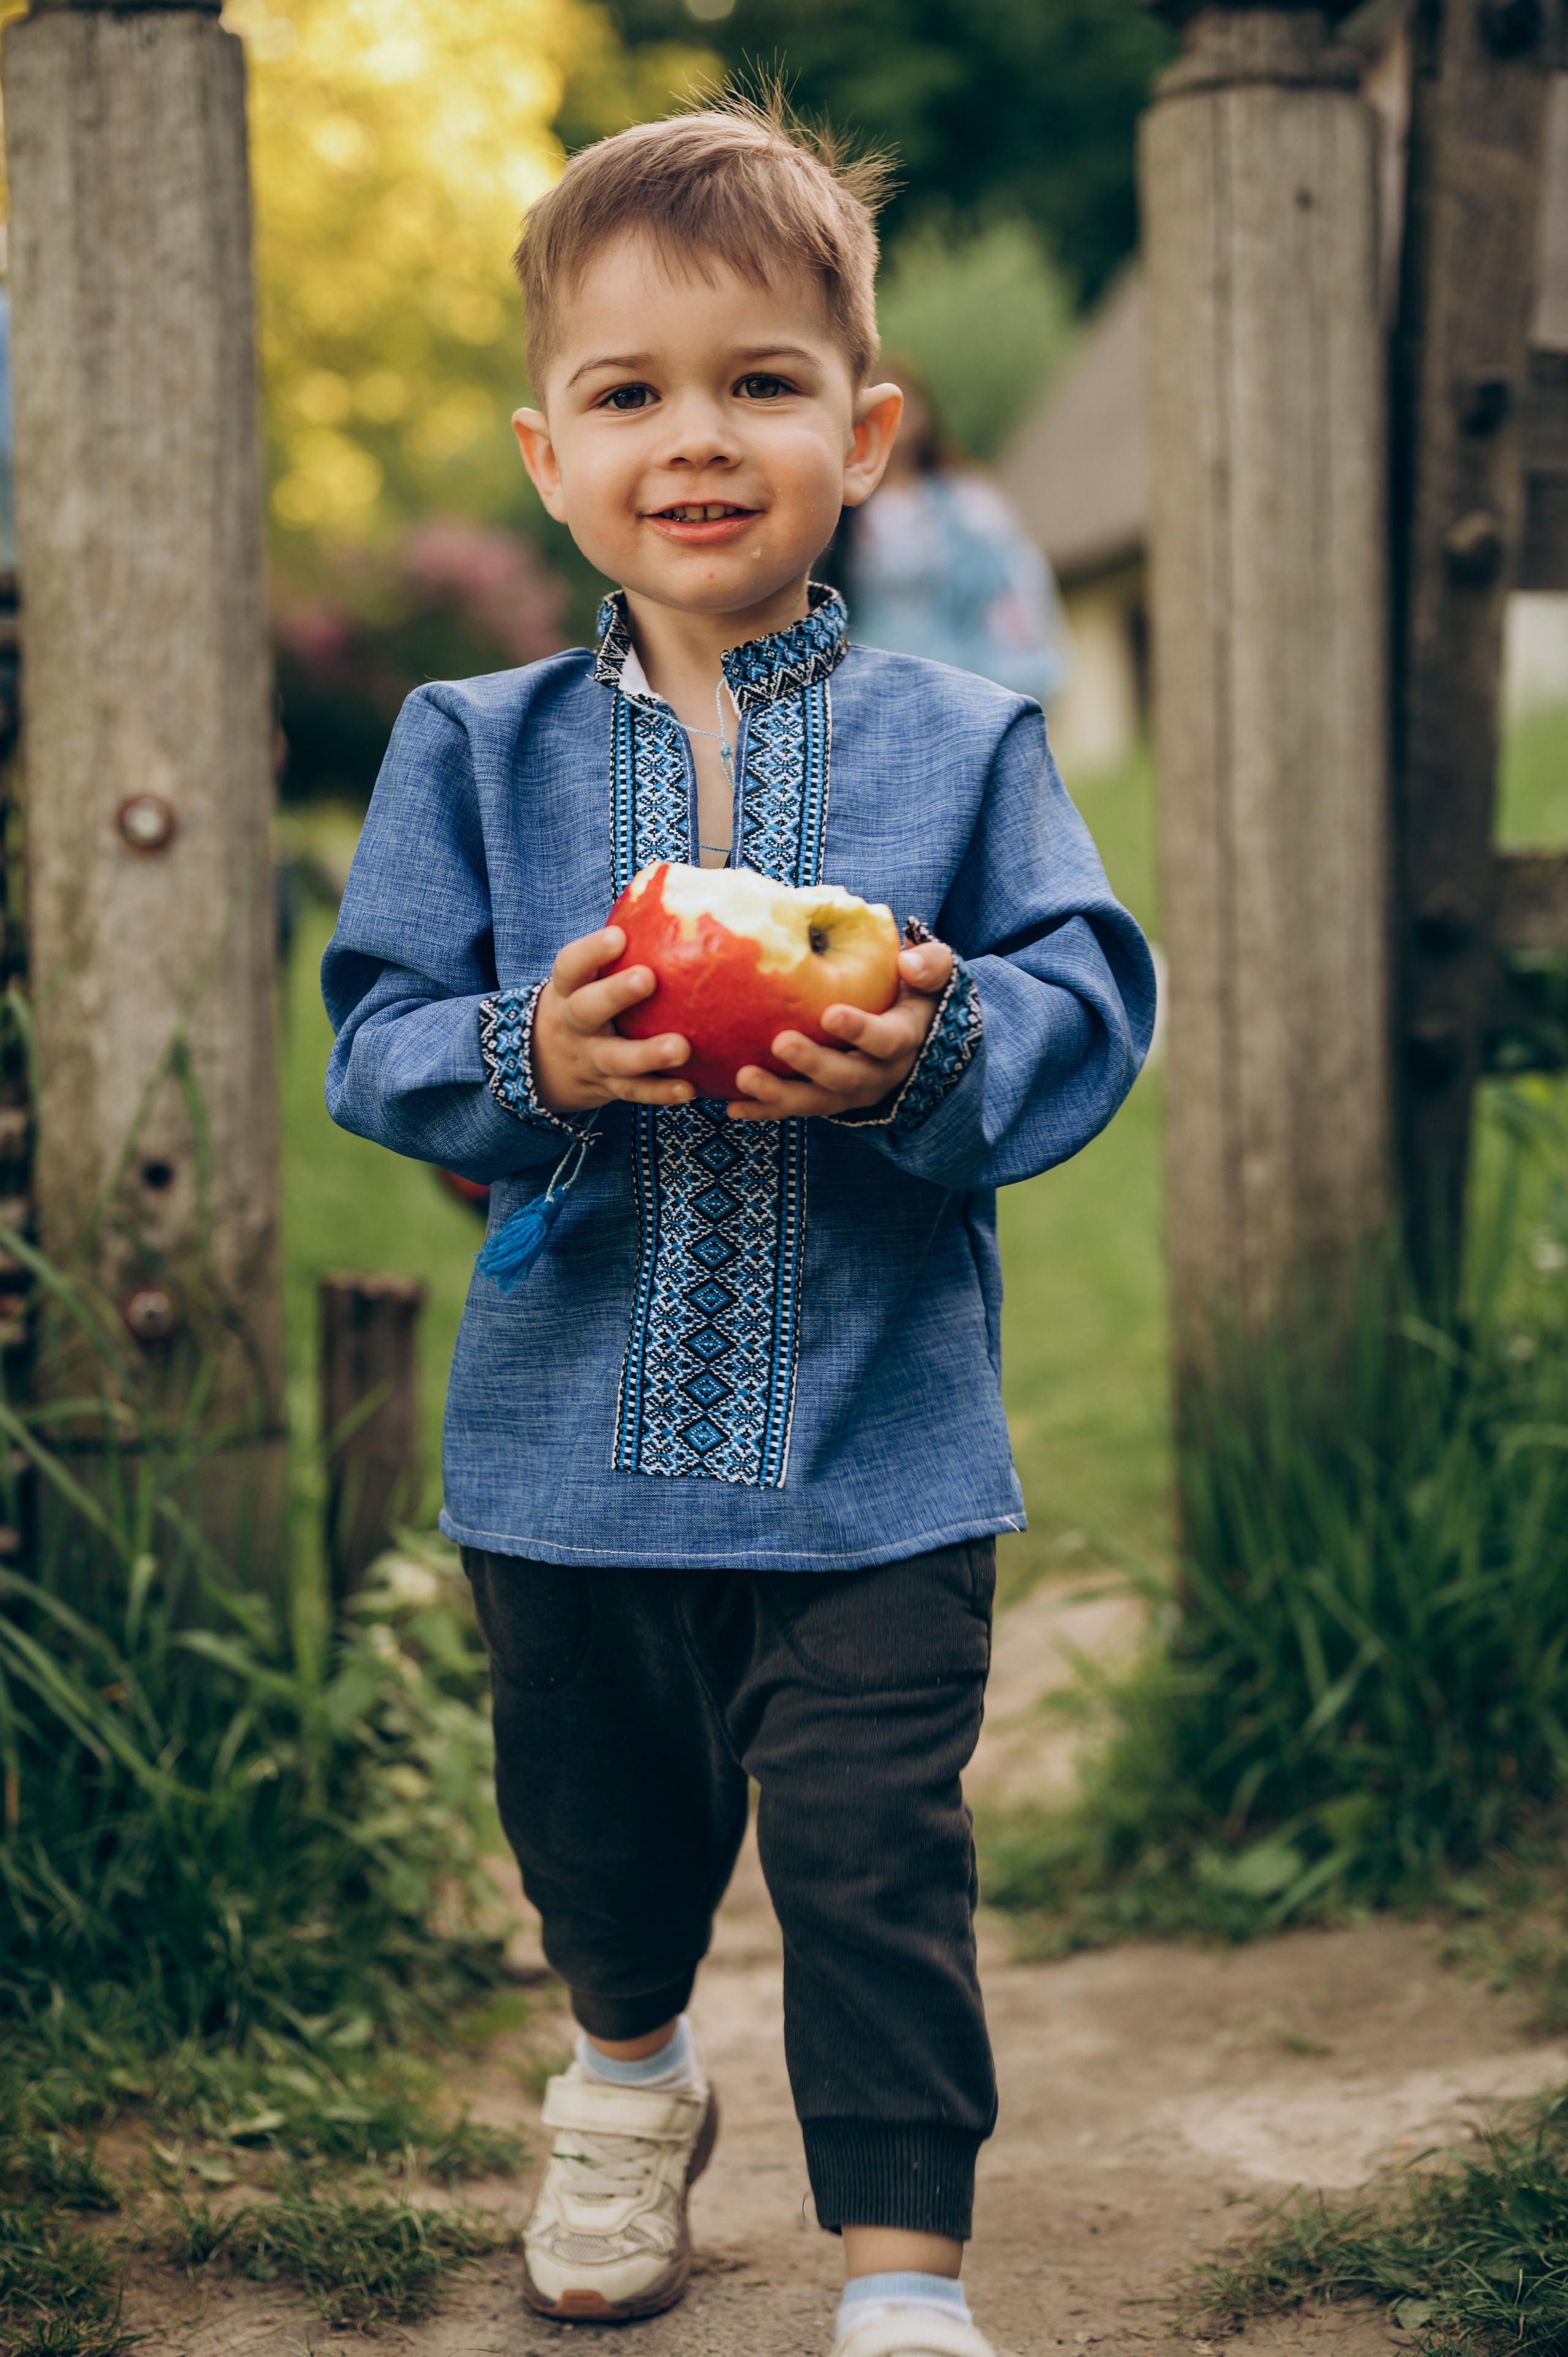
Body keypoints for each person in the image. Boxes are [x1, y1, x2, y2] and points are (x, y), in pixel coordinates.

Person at [322, 97, 1153, 2357]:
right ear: (545, 451)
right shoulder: (464, 749)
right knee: (596, 1835)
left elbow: (1090, 994)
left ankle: (901, 2263)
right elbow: (370, 1027)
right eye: (629, 393)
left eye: (760, 384)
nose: (695, 438)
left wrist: (936, 1042)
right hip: (562, 1446)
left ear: (863, 434)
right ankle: (621, 2067)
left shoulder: (958, 744)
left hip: (872, 1435)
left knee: (879, 1853)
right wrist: (526, 1053)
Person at [835, 354, 1071, 704]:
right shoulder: (840, 516)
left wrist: (1024, 670)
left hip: (976, 679)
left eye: (905, 401)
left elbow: (1017, 581)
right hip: (887, 691)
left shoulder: (969, 500)